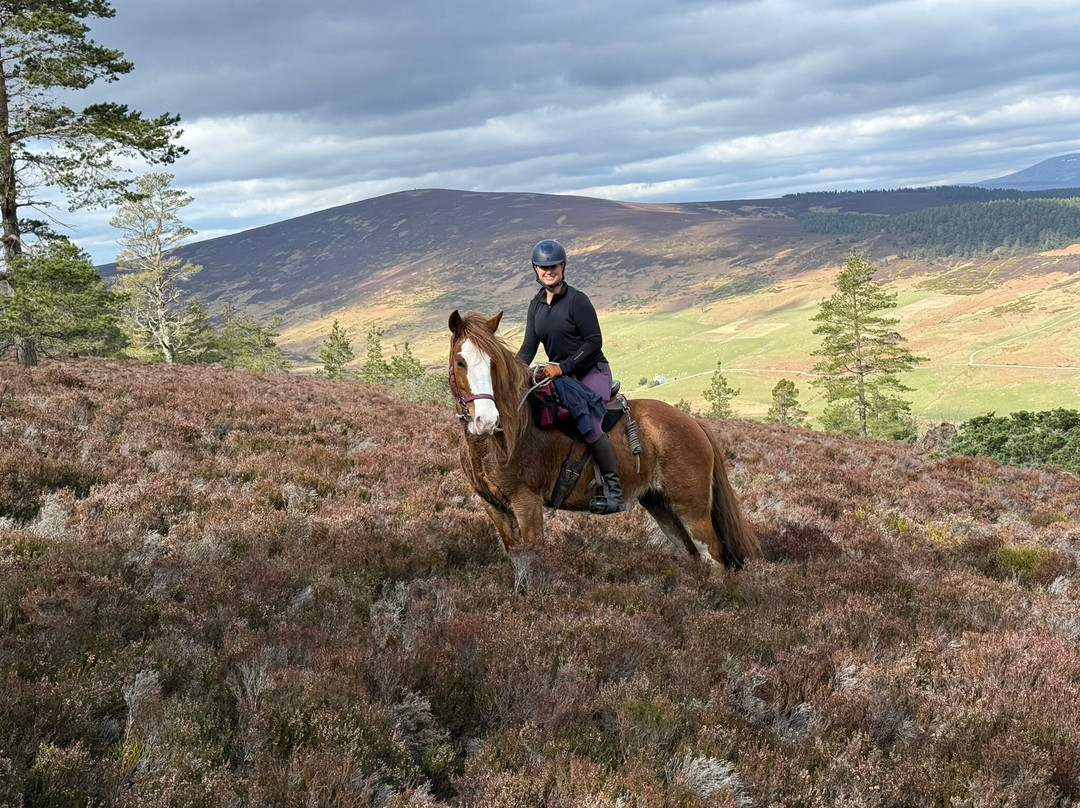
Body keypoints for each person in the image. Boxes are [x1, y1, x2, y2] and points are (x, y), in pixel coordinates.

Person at [516, 239, 624, 514]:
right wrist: (510, 373)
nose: (549, 271)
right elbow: (528, 348)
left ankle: (613, 490)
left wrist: (562, 367)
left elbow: (593, 342)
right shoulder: (536, 306)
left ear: (563, 267)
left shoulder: (577, 300)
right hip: (562, 378)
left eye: (554, 266)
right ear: (535, 270)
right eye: (543, 267)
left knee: (589, 421)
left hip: (591, 371)